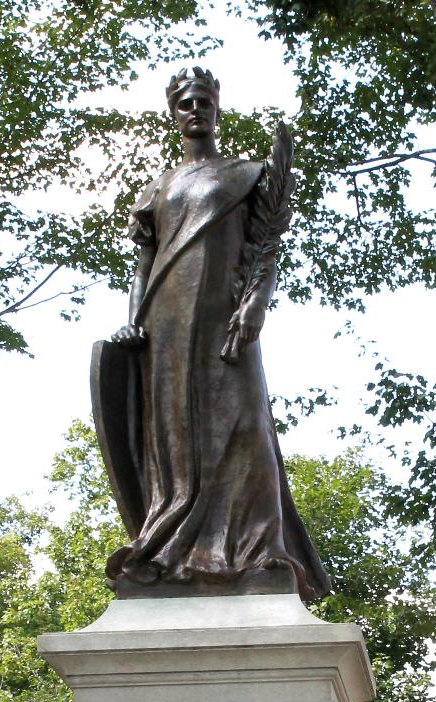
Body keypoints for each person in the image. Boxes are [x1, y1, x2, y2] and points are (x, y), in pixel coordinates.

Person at [101, 67, 330, 601]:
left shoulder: (246, 175)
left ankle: (258, 551)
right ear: (173, 112)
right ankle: (174, 551)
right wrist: (134, 318)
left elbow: (265, 247)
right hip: (167, 326)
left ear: (217, 107)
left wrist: (255, 304)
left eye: (203, 100)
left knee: (246, 429)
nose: (195, 109)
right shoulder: (156, 189)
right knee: (176, 440)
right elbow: (144, 263)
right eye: (185, 103)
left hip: (227, 323)